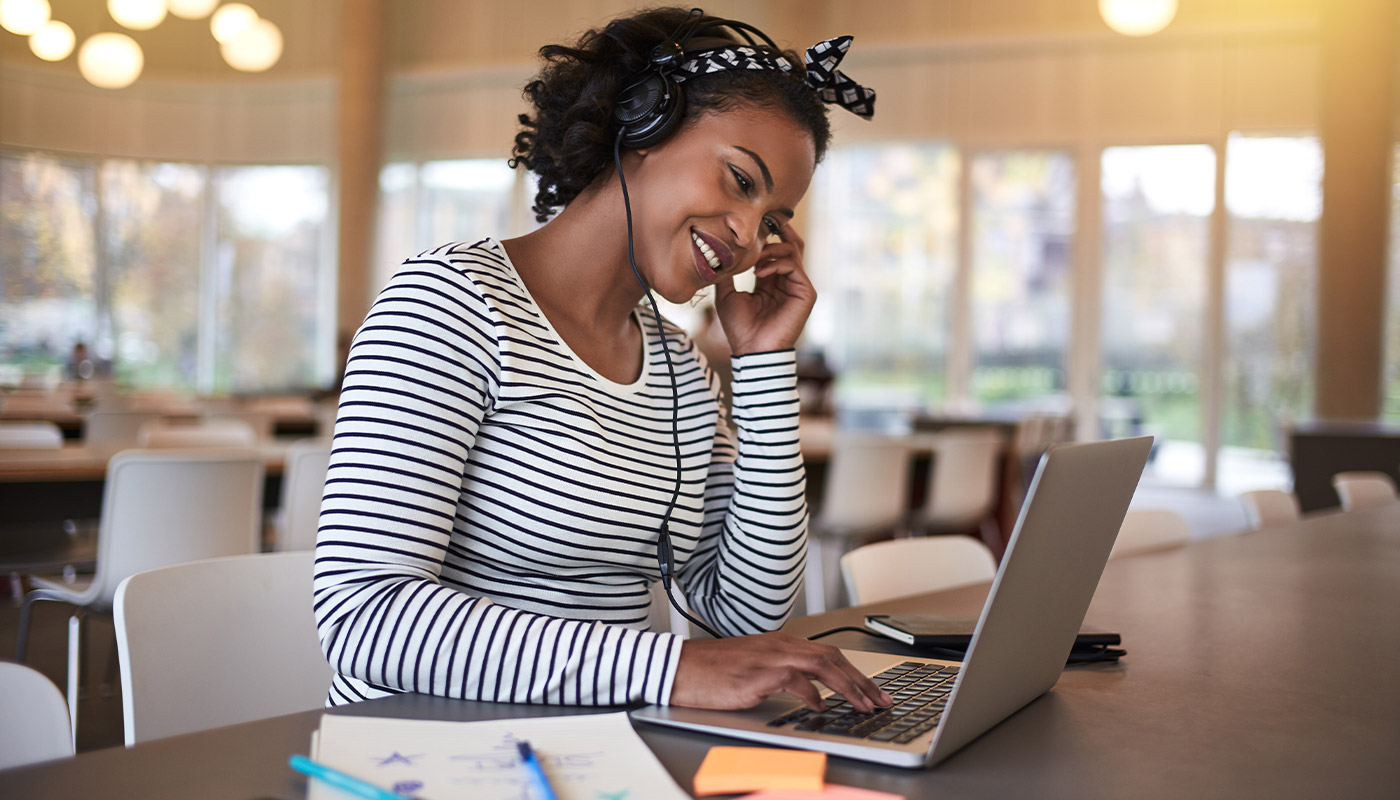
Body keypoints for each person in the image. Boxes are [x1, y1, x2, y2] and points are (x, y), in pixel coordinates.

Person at [313, 6, 891, 715]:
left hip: (603, 750)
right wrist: (668, 670)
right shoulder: (449, 303)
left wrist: (764, 367)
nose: (747, 236)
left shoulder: (679, 368)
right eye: (741, 181)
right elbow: (364, 618)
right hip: (432, 753)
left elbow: (746, 620)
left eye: (773, 220)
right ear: (643, 124)